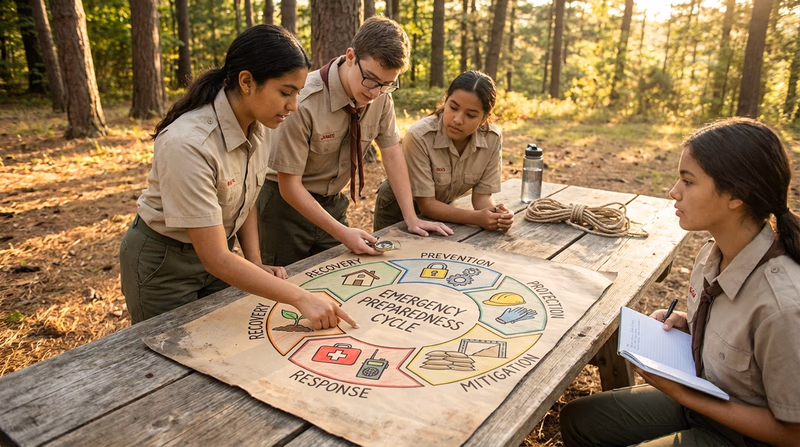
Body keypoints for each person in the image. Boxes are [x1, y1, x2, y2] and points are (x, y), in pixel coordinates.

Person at [559, 117, 800, 446]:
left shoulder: (782, 305)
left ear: (737, 195)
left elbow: (793, 432)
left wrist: (682, 395)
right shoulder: (711, 255)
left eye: (688, 181)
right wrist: (688, 324)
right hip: (704, 400)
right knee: (579, 419)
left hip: (744, 436)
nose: (674, 192)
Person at [120, 25, 357, 331]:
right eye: (285, 92)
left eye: (298, 93)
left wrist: (254, 261)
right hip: (164, 266)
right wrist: (300, 298)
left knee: (222, 342)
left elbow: (245, 199)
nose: (293, 106)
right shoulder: (188, 144)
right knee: (170, 356)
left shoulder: (259, 127)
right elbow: (216, 257)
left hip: (218, 261)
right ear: (246, 81)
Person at [257, 16, 453, 268]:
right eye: (370, 79)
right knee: (286, 288)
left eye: (386, 84)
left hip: (332, 203)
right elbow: (289, 187)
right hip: (283, 209)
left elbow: (392, 154)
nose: (374, 92)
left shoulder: (381, 98)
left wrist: (411, 217)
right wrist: (341, 233)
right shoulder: (304, 101)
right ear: (350, 56)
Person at [372, 71, 513, 232]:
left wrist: (495, 216)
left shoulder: (491, 139)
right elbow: (427, 205)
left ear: (484, 119)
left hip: (445, 212)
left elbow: (482, 197)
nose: (458, 119)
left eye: (470, 115)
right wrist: (478, 218)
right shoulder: (420, 136)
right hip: (397, 210)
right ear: (445, 101)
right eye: (453, 108)